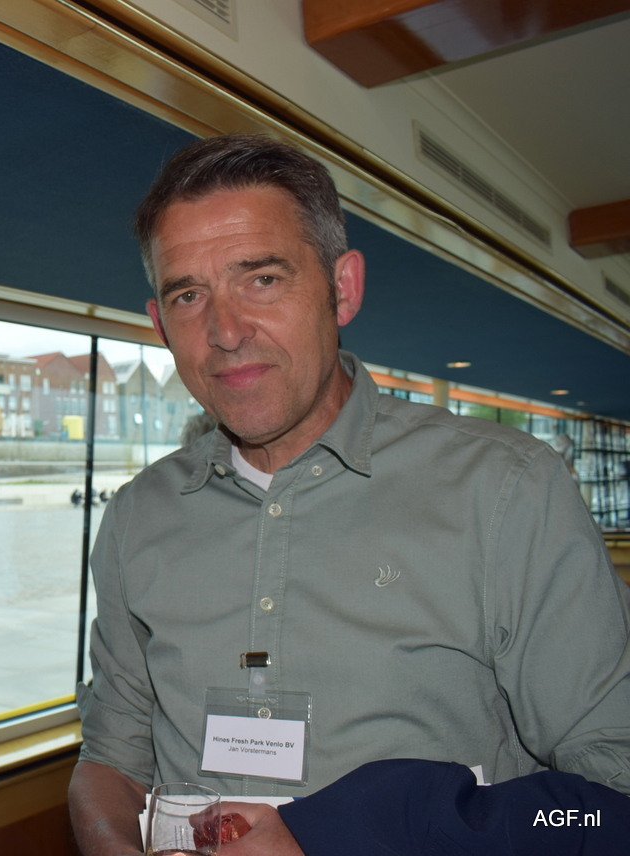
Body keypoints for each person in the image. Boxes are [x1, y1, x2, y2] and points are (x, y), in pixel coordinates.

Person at [68, 135, 630, 855]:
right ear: (159, 323)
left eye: (262, 279)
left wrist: (361, 830)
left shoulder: (506, 491)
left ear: (343, 289)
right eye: (189, 295)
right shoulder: (135, 517)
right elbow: (112, 758)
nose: (226, 332)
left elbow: (605, 808)